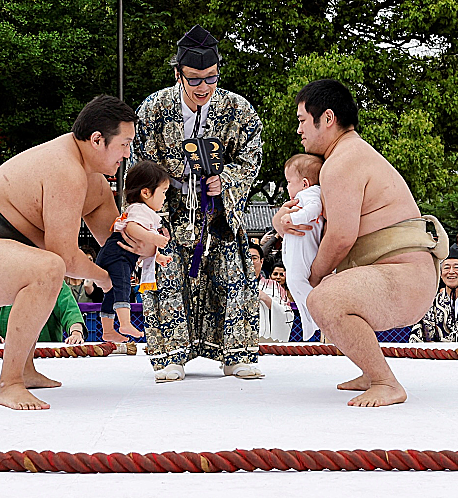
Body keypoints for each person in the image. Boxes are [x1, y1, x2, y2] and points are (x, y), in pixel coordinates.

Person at [0, 94, 148, 410]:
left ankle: (25, 368)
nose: (128, 154)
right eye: (124, 144)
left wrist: (151, 249)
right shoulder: (66, 169)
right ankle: (9, 384)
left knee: (43, 266)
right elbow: (66, 257)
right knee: (48, 268)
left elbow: (117, 244)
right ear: (97, 140)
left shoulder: (96, 184)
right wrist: (105, 279)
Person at [273, 79, 448, 407]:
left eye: (301, 120)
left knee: (325, 300)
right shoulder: (345, 156)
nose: (299, 130)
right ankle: (370, 372)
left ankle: (386, 383)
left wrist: (312, 277)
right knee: (324, 298)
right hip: (396, 274)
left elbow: (340, 237)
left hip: (404, 276)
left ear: (326, 118)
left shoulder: (342, 162)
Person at [131, 24, 264, 382]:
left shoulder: (239, 109)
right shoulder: (153, 109)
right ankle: (170, 355)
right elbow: (139, 163)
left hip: (219, 211)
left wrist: (228, 180)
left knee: (231, 278)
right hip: (168, 211)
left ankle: (236, 354)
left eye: (211, 78)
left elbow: (251, 158)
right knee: (166, 276)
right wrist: (152, 202)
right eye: (194, 80)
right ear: (178, 74)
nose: (204, 87)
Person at [95, 160, 172, 343]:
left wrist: (158, 257)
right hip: (118, 255)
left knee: (113, 291)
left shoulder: (144, 211)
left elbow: (141, 242)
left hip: (117, 254)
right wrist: (156, 239)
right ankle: (125, 323)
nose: (164, 198)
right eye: (163, 192)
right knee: (123, 288)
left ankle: (108, 330)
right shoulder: (140, 209)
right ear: (146, 192)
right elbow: (131, 229)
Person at [280, 153, 323, 340]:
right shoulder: (303, 197)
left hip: (305, 250)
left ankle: (319, 314)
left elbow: (314, 209)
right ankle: (308, 323)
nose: (287, 186)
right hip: (296, 249)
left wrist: (294, 218)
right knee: (292, 282)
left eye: (289, 182)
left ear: (304, 183)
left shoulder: (312, 194)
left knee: (298, 282)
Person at [0, 281, 87, 345]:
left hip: (46, 356)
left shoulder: (54, 282)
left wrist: (76, 333)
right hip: (2, 354)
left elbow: (71, 313)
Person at [251, 243, 293, 343]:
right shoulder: (232, 288)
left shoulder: (275, 286)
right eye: (247, 258)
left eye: (254, 258)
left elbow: (288, 314)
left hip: (267, 343)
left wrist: (265, 298)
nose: (250, 262)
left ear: (261, 261)